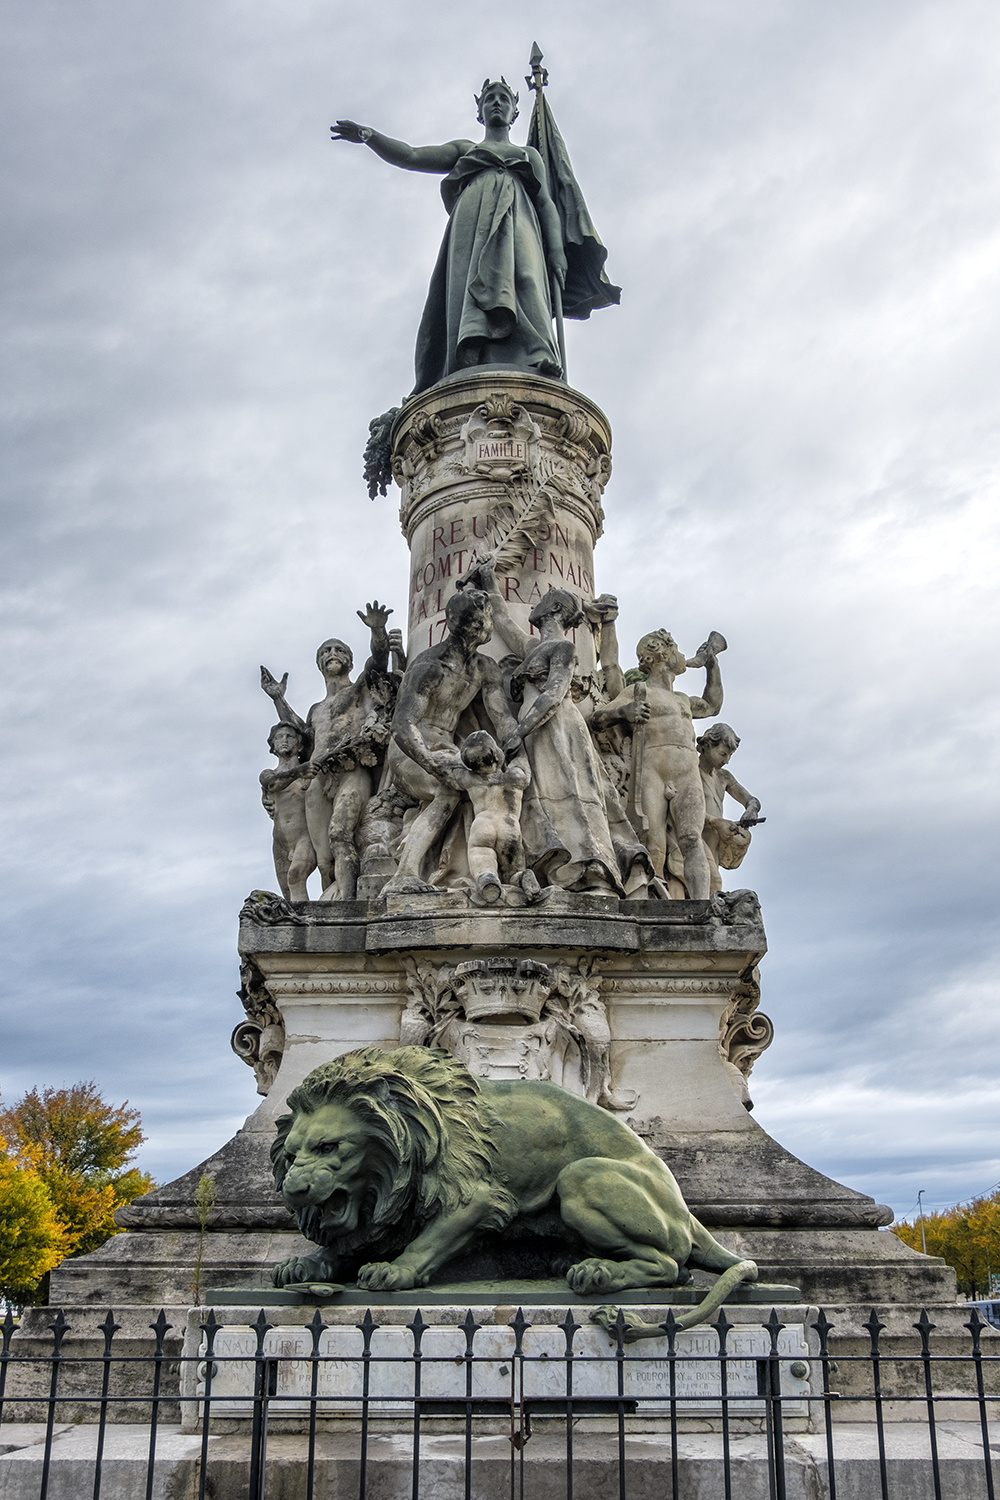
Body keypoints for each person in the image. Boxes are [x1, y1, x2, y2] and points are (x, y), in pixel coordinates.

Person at [332, 80, 567, 390]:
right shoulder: (465, 149)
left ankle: (538, 355)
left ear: (514, 111)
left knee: (525, 277)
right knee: (469, 285)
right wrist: (370, 137)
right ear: (480, 111)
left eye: (504, 99)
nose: (497, 103)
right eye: (490, 98)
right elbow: (412, 156)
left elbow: (546, 204)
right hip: (472, 223)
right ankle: (469, 349)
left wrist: (556, 250)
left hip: (519, 215)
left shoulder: (528, 155)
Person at [260, 601, 395, 901]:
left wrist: (378, 629)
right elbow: (303, 739)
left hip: (350, 769)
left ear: (349, 660)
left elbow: (378, 661)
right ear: (319, 664)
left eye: (339, 651)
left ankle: (347, 904)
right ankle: (329, 902)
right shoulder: (316, 709)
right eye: (326, 652)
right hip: (317, 778)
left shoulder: (358, 689)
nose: (332, 655)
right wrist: (278, 700)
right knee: (323, 860)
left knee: (340, 834)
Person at [387, 589, 519, 891]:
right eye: (485, 618)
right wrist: (431, 762)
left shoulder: (485, 667)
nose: (489, 624)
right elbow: (402, 724)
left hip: (449, 749)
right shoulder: (430, 666)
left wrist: (517, 746)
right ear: (472, 625)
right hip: (411, 750)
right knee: (447, 789)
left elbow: (502, 718)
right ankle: (404, 874)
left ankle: (489, 869)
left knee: (484, 784)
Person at [592, 629, 724, 900]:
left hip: (687, 773)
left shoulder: (683, 700)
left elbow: (713, 705)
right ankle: (652, 902)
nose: (681, 656)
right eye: (675, 649)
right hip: (653, 771)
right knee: (653, 843)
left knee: (691, 839)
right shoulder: (639, 692)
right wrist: (623, 712)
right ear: (662, 654)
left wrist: (712, 665)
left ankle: (701, 907)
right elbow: (596, 718)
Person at [437, 730, 539, 904]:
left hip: (482, 825)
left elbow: (445, 769)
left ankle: (487, 878)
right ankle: (522, 877)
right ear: (496, 755)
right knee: (512, 872)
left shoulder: (470, 779)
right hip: (510, 828)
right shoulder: (516, 777)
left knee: (481, 857)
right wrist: (515, 742)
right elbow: (522, 759)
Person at [697, 723, 763, 894]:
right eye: (723, 754)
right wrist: (715, 822)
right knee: (712, 884)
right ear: (708, 745)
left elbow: (751, 800)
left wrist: (751, 810)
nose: (726, 760)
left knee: (710, 887)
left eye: (729, 755)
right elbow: (684, 807)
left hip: (715, 843)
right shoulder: (691, 771)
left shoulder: (724, 777)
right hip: (695, 838)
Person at [260, 722, 317, 903]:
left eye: (289, 736)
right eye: (279, 737)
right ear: (273, 746)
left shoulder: (310, 773)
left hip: (305, 837)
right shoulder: (269, 773)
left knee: (295, 877)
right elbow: (272, 783)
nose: (284, 740)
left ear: (299, 745)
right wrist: (298, 771)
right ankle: (298, 925)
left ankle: (306, 926)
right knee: (287, 893)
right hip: (280, 841)